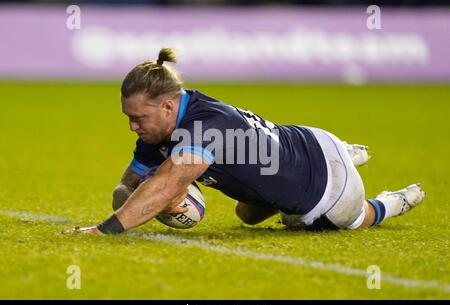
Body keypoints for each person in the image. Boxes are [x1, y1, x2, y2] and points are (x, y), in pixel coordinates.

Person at [76, 48, 425, 235]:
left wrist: (104, 230)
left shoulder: (206, 125)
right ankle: (342, 155)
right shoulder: (162, 125)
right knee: (247, 215)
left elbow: (167, 185)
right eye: (129, 118)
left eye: (138, 118)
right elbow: (128, 186)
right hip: (305, 141)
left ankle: (389, 203)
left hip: (327, 189)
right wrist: (135, 196)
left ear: (167, 106)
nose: (133, 126)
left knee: (351, 218)